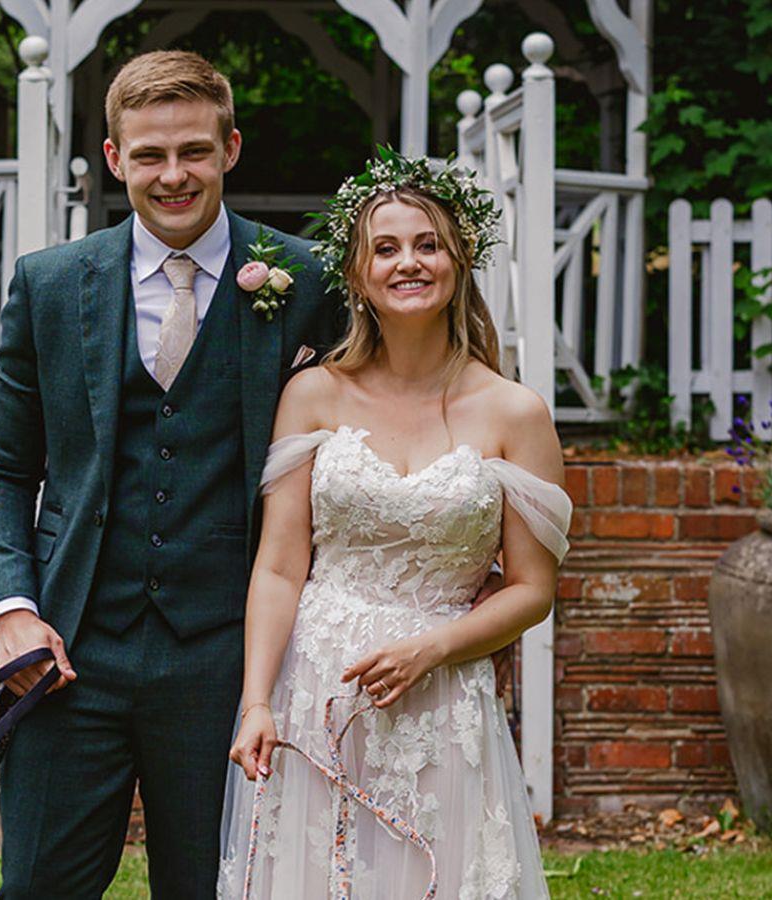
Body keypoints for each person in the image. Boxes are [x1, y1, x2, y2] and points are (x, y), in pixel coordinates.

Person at [0, 51, 340, 897]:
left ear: (231, 148)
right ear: (114, 160)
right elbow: (0, 469)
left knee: (217, 888)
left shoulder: (308, 280)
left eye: (194, 152)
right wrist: (13, 612)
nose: (173, 176)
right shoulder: (51, 285)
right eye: (149, 156)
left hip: (229, 658)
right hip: (69, 653)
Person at [217, 151, 572, 899]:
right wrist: (256, 702)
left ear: (459, 260)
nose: (407, 262)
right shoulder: (313, 394)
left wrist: (436, 647)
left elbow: (534, 589)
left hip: (442, 701)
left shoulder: (516, 413)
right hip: (314, 692)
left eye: (427, 244)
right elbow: (280, 568)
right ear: (357, 273)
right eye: (385, 248)